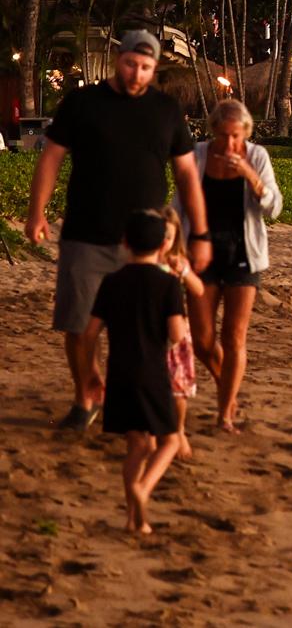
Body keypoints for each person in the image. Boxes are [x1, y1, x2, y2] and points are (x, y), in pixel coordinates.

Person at [25, 30, 206, 432]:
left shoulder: (166, 110)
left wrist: (201, 233)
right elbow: (52, 157)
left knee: (146, 329)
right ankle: (85, 394)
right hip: (86, 233)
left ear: (154, 69)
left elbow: (187, 175)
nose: (136, 74)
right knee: (77, 323)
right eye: (130, 64)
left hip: (147, 241)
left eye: (145, 68)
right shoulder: (83, 102)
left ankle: (140, 399)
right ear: (117, 59)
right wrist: (36, 212)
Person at [175, 98, 282, 435]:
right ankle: (228, 388)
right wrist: (175, 246)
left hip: (243, 256)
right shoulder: (198, 154)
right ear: (213, 131)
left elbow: (274, 208)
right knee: (203, 340)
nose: (230, 143)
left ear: (246, 133)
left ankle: (225, 414)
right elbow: (179, 204)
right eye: (223, 135)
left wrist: (250, 175)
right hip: (201, 254)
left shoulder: (258, 156)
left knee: (234, 337)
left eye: (237, 136)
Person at [86, 209, 190, 533]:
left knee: (138, 446)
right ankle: (144, 488)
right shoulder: (167, 285)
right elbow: (175, 334)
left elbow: (90, 332)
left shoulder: (112, 281)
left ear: (125, 242)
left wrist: (91, 371)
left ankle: (134, 519)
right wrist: (182, 327)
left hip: (119, 375)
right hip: (152, 375)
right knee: (169, 442)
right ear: (163, 245)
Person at [156, 209, 204, 460]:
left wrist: (183, 272)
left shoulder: (178, 262)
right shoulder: (146, 260)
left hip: (177, 336)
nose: (164, 241)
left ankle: (179, 429)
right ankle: (156, 431)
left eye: (169, 236)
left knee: (179, 388)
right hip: (152, 333)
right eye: (160, 235)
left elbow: (198, 290)